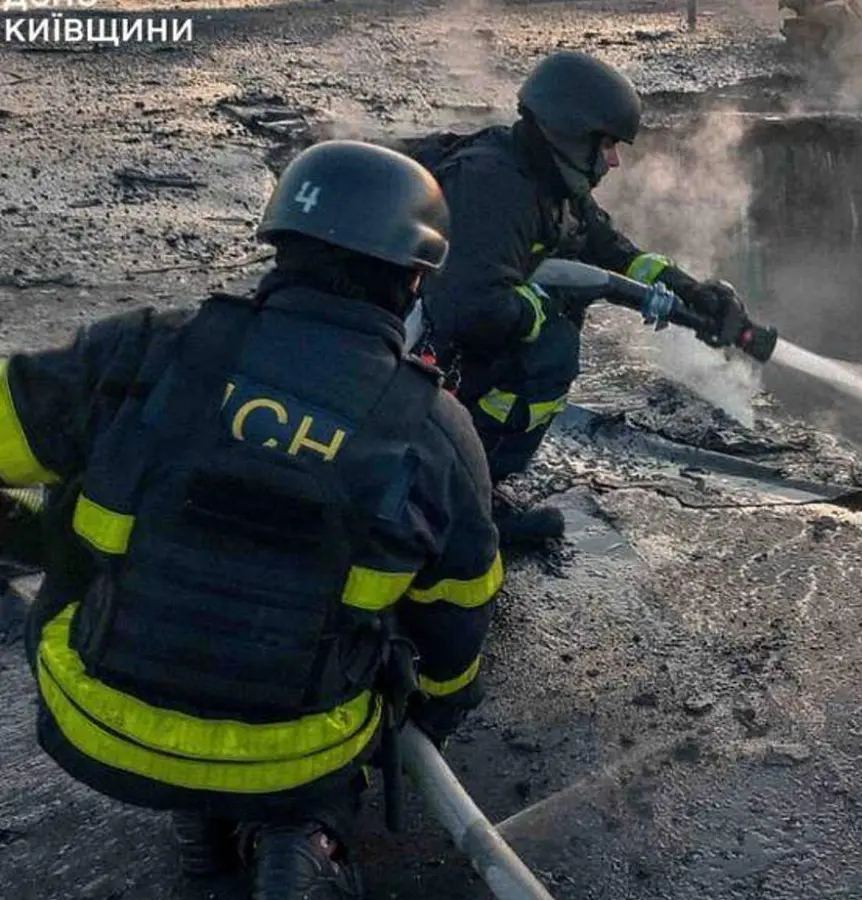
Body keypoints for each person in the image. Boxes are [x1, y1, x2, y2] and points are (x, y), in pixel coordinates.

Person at [1, 140, 504, 900]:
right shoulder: (434, 429)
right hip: (297, 755)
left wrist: (27, 534)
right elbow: (459, 622)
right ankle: (310, 836)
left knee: (102, 511)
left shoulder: (143, 351)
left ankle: (202, 825)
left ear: (278, 247)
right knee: (387, 595)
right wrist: (433, 708)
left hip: (91, 718)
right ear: (412, 279)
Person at [405, 50, 756, 545]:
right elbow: (470, 311)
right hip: (414, 354)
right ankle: (455, 500)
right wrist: (547, 299)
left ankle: (468, 483)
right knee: (551, 349)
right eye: (607, 144)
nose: (613, 159)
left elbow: (611, 251)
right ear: (570, 131)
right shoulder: (493, 188)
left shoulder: (548, 182)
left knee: (552, 335)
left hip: (435, 346)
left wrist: (692, 294)